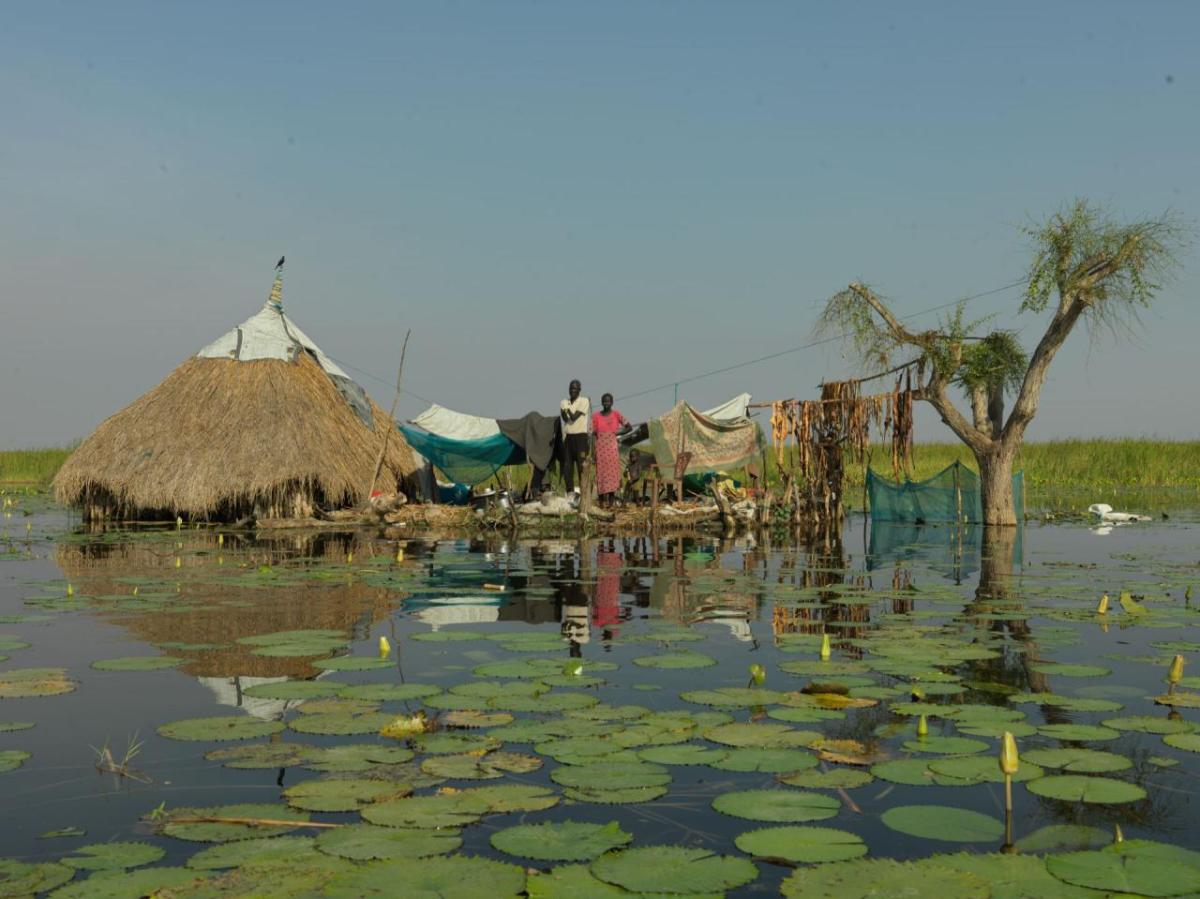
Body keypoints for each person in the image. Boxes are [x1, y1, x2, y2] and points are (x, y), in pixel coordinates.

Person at [592, 393, 631, 508]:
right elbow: (592, 434)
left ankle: (611, 503)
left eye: (608, 401)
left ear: (612, 402)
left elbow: (629, 427)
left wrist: (618, 432)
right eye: (604, 401)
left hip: (612, 450)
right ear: (601, 402)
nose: (606, 403)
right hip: (600, 450)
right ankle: (601, 503)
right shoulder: (595, 416)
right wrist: (593, 451)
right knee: (601, 475)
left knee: (612, 476)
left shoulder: (616, 414)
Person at [559, 379, 590, 494]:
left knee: (581, 466)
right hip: (568, 437)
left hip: (580, 437)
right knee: (567, 467)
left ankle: (584, 493)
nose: (573, 390)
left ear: (579, 390)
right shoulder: (564, 401)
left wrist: (566, 410)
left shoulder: (584, 401)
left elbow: (573, 417)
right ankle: (570, 492)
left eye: (575, 388)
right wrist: (565, 411)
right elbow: (565, 419)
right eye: (571, 388)